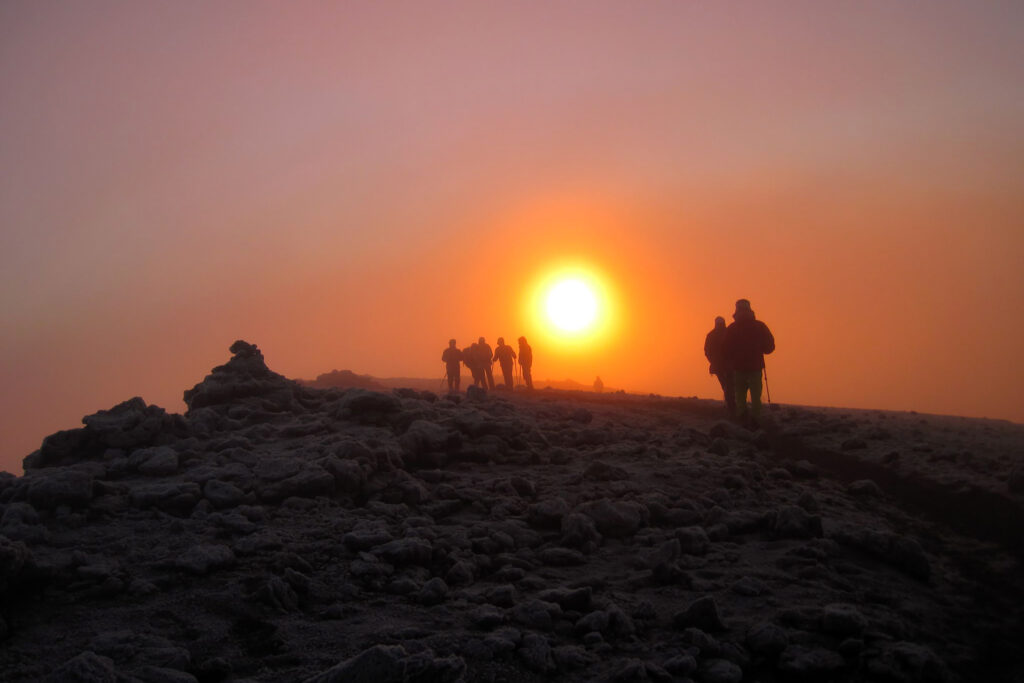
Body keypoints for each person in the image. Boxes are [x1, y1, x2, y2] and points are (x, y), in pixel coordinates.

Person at [725, 298, 775, 427]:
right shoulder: (759, 326)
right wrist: (762, 349)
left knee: (740, 396)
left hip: (738, 368)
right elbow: (769, 346)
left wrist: (730, 360)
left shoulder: (732, 328)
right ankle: (755, 420)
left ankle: (742, 419)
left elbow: (725, 347)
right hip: (755, 367)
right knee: (755, 396)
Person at [704, 316, 735, 414]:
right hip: (727, 365)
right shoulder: (729, 333)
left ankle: (730, 404)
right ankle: (731, 404)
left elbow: (707, 351)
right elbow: (707, 351)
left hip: (720, 366)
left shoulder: (711, 335)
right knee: (729, 385)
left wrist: (713, 361)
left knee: (726, 385)